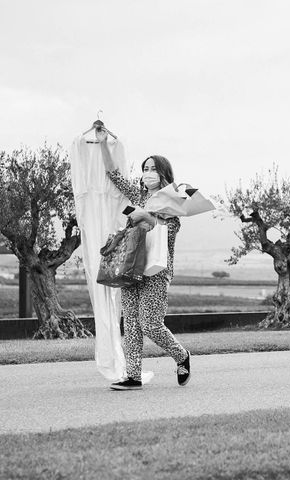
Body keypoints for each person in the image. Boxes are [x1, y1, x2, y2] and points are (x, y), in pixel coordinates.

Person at [97, 129, 191, 390]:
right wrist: (104, 144)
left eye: (153, 169)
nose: (147, 173)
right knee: (132, 324)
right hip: (131, 265)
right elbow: (115, 175)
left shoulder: (173, 204)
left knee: (150, 323)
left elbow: (168, 234)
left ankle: (181, 355)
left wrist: (147, 217)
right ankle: (133, 376)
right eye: (145, 168)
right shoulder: (139, 197)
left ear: (163, 174)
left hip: (157, 270)